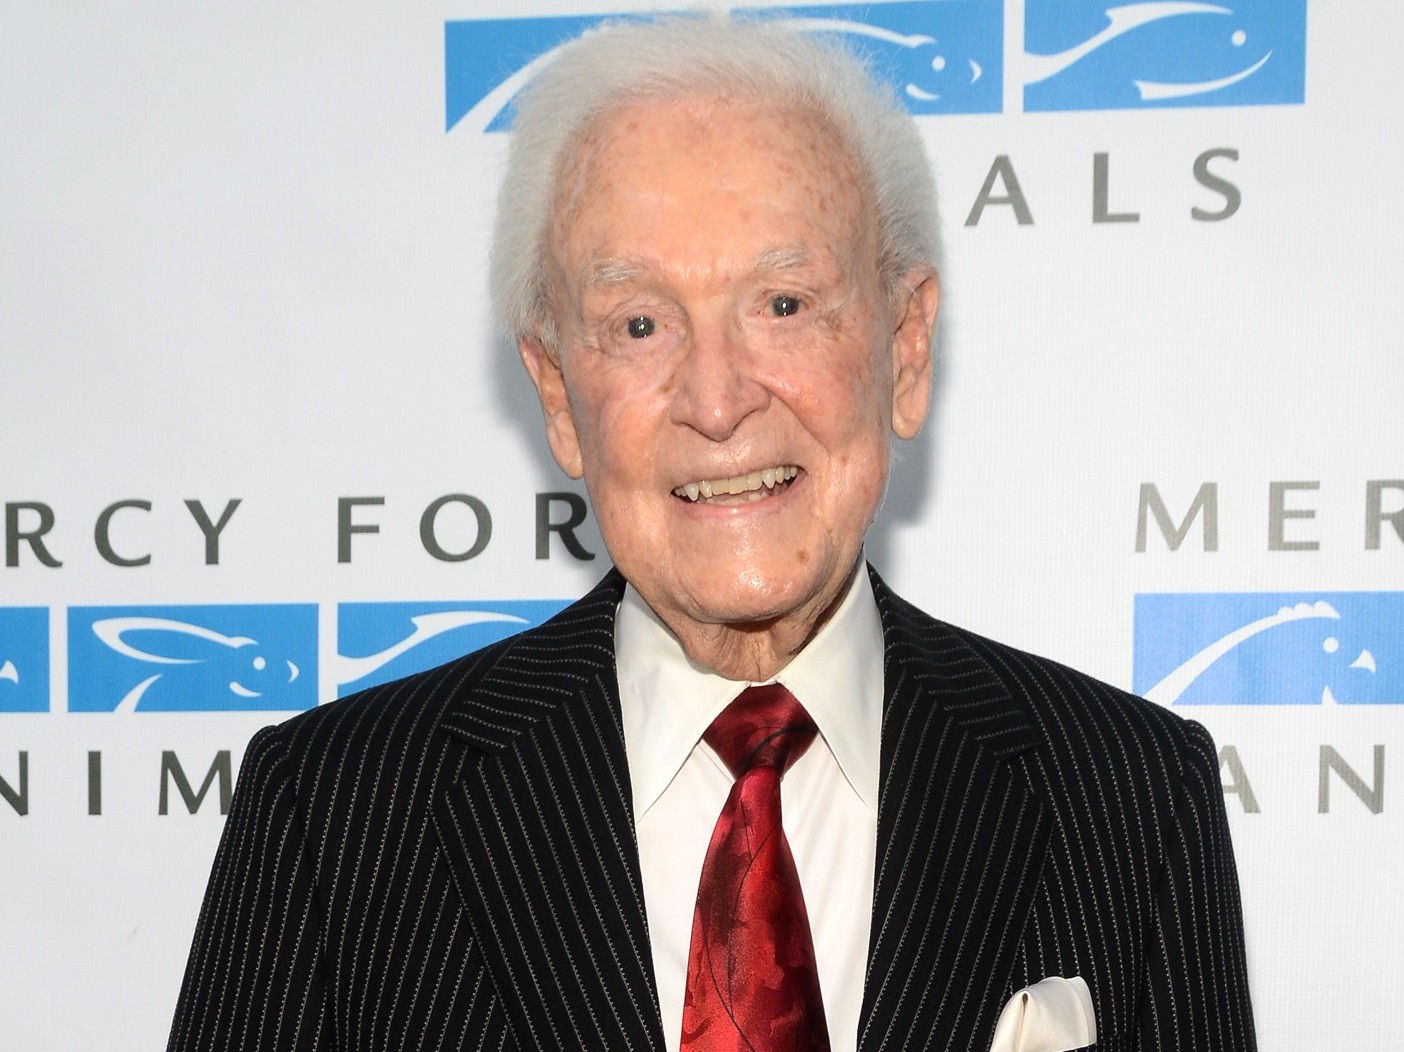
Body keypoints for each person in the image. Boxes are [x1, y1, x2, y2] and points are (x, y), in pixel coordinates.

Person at [169, 13, 1255, 1052]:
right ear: (557, 392)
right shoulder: (336, 814)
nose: (719, 397)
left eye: (783, 303)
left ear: (905, 349)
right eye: (639, 323)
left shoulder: (1129, 794)